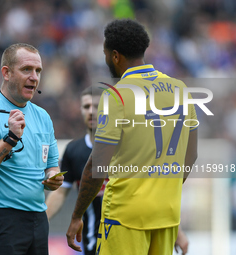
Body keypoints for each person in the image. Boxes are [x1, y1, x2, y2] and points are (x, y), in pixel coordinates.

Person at [66, 19, 198, 255]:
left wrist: (77, 215)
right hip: (166, 213)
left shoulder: (117, 95)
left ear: (115, 56)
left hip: (125, 216)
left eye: (105, 53)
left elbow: (98, 164)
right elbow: (191, 154)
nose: (105, 59)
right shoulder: (180, 89)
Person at [0, 43, 63, 255]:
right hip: (0, 219)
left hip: (38, 218)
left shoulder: (43, 117)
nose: (34, 77)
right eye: (26, 69)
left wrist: (53, 177)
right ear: (6, 73)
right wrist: (10, 138)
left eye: (38, 71)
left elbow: (51, 166)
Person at [46, 86, 107, 255]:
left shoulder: (126, 148)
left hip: (126, 239)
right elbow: (60, 193)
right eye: (86, 107)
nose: (91, 111)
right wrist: (40, 222)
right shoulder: (74, 150)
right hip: (91, 242)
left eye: (97, 106)